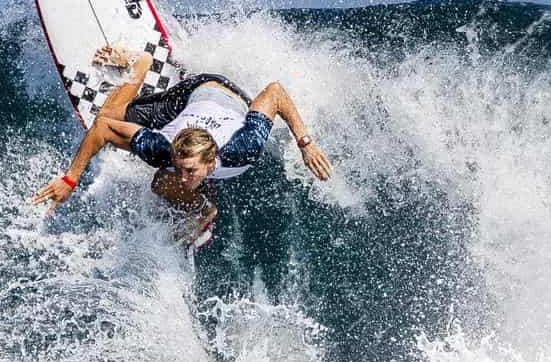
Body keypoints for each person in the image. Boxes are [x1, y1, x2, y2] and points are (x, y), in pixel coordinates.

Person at [31, 45, 333, 243]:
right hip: (188, 98)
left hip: (221, 92)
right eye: (181, 168)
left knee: (166, 180)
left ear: (211, 161)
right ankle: (140, 63)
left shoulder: (243, 148)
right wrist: (71, 179)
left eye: (190, 171)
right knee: (121, 129)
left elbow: (275, 92)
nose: (183, 176)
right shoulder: (161, 147)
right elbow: (103, 127)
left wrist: (305, 143)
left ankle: (141, 63)